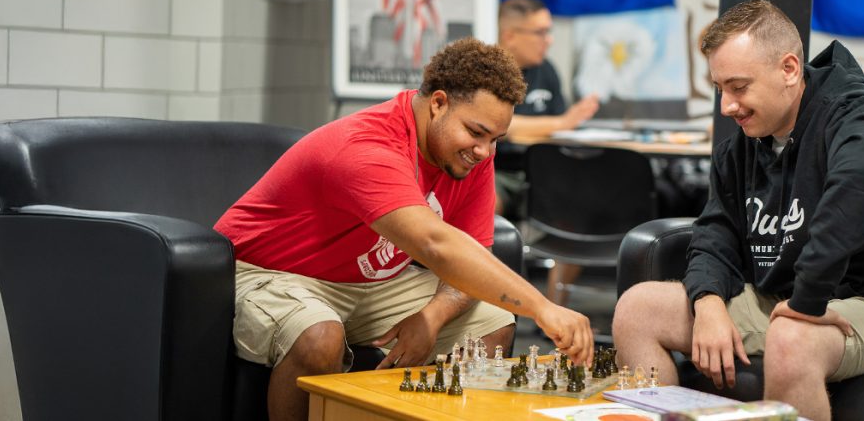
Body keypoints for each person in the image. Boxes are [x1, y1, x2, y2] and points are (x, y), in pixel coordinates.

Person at [612, 0, 864, 421]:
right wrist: (706, 302)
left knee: (791, 337)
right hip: (781, 300)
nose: (727, 106)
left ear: (790, 69)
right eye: (720, 88)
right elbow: (715, 234)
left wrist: (807, 299)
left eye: (739, 87)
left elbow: (858, 196)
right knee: (638, 311)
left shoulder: (859, 118)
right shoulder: (740, 148)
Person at [215, 38, 594, 421]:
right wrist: (543, 308)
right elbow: (436, 245)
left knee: (491, 324)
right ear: (439, 103)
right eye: (476, 133)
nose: (485, 152)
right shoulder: (366, 146)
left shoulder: (471, 158)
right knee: (318, 335)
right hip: (270, 273)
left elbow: (470, 254)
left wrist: (431, 317)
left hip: (367, 284)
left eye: (495, 139)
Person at [494, 0, 599, 307]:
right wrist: (564, 120)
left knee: (582, 203)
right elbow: (504, 125)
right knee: (485, 202)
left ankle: (553, 309)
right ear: (510, 35)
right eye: (540, 33)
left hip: (543, 173)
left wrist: (567, 122)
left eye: (549, 31)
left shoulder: (546, 71)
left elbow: (561, 128)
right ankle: (495, 299)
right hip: (498, 170)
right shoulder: (491, 70)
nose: (548, 40)